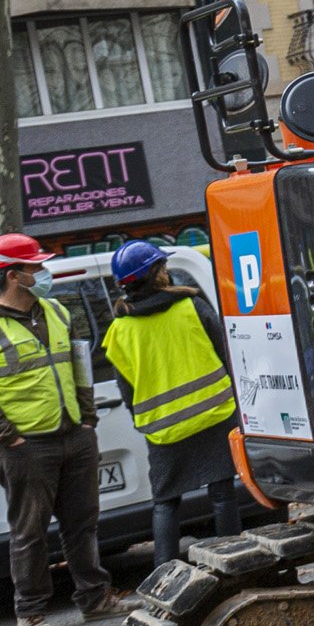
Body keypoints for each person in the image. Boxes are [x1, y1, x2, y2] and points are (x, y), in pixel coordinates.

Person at [0, 233, 118, 626]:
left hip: (73, 436)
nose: (44, 272)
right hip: (27, 446)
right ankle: (29, 614)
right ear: (13, 276)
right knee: (29, 531)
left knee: (83, 524)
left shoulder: (56, 311)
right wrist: (9, 439)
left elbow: (80, 366)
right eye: (35, 267)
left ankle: (95, 599)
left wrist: (87, 419)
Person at [98, 239, 240, 567]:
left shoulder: (120, 330)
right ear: (155, 273)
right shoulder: (192, 307)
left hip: (163, 429)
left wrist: (144, 420)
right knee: (221, 493)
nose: (167, 270)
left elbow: (127, 388)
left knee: (165, 501)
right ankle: (231, 561)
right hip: (214, 414)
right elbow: (226, 354)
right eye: (162, 265)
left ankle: (164, 573)